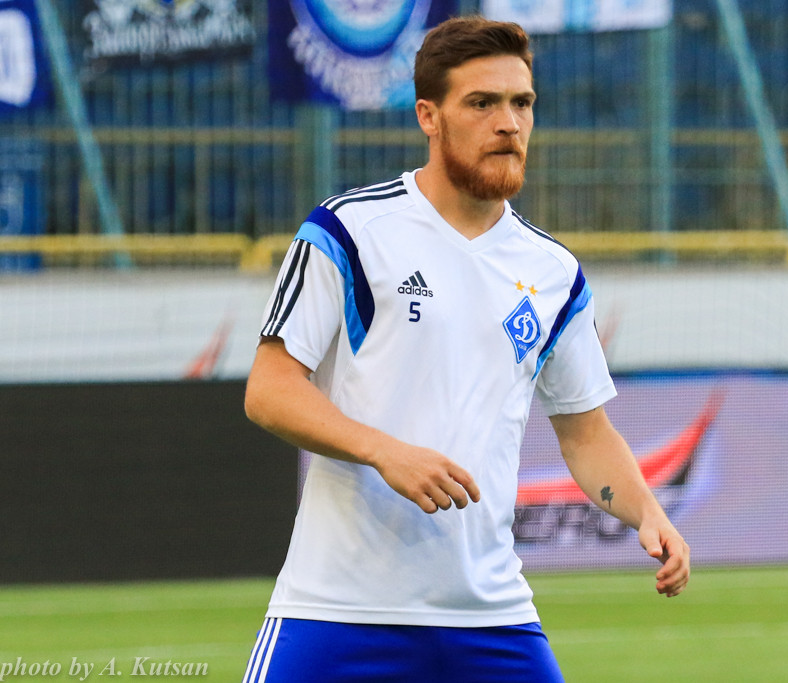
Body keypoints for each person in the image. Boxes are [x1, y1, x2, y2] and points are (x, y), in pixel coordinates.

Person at [241, 15, 690, 683]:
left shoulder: (553, 273)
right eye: (482, 103)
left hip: (492, 619)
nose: (508, 123)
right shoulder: (350, 232)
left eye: (521, 103)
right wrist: (385, 451)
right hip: (336, 610)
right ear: (429, 115)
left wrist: (647, 511)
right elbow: (270, 390)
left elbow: (586, 433)